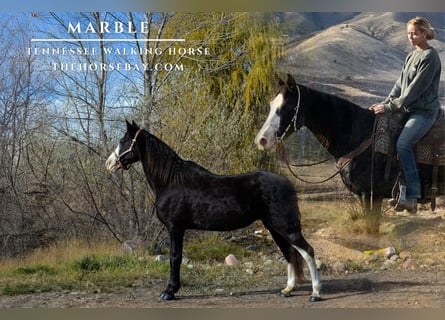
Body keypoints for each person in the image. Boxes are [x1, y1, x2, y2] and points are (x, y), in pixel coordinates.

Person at [370, 16, 442, 214]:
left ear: (425, 33)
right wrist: (384, 104)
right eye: (409, 33)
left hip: (424, 112)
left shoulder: (430, 57)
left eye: (415, 33)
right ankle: (397, 191)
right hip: (408, 108)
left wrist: (391, 108)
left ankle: (412, 196)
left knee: (403, 144)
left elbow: (414, 91)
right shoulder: (411, 56)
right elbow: (399, 86)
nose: (411, 37)